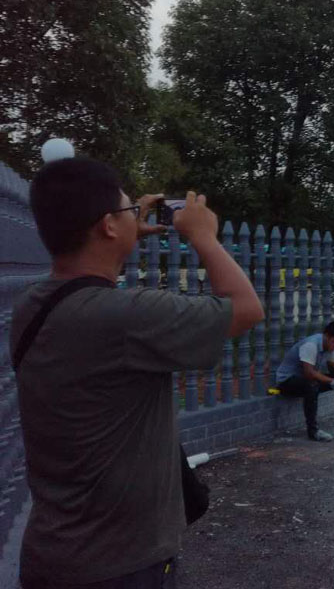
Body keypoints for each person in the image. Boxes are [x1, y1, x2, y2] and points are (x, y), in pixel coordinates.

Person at [11, 157, 265, 588]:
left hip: (52, 553)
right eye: (128, 209)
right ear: (107, 225)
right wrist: (203, 236)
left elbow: (91, 281)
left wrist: (122, 232)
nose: (136, 215)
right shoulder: (123, 317)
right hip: (120, 565)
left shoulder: (32, 305)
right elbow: (246, 309)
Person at [275, 321, 334, 440]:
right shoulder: (310, 345)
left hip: (305, 380)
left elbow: (333, 373)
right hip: (287, 382)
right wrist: (332, 381)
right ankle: (313, 431)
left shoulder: (330, 347)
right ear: (326, 336)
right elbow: (309, 373)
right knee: (312, 386)